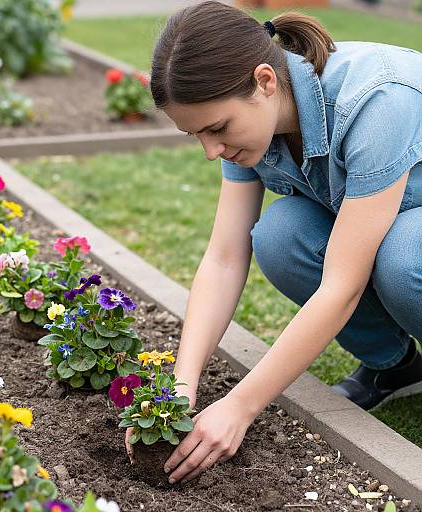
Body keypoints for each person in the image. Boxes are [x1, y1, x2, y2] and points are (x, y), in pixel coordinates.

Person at [126, 0, 422, 485]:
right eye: (195, 135)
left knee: (404, 256)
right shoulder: (253, 128)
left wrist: (239, 407)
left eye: (217, 129)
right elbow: (224, 257)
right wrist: (181, 386)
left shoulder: (376, 100)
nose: (210, 151)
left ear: (265, 81)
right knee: (281, 235)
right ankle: (398, 367)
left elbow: (341, 286)